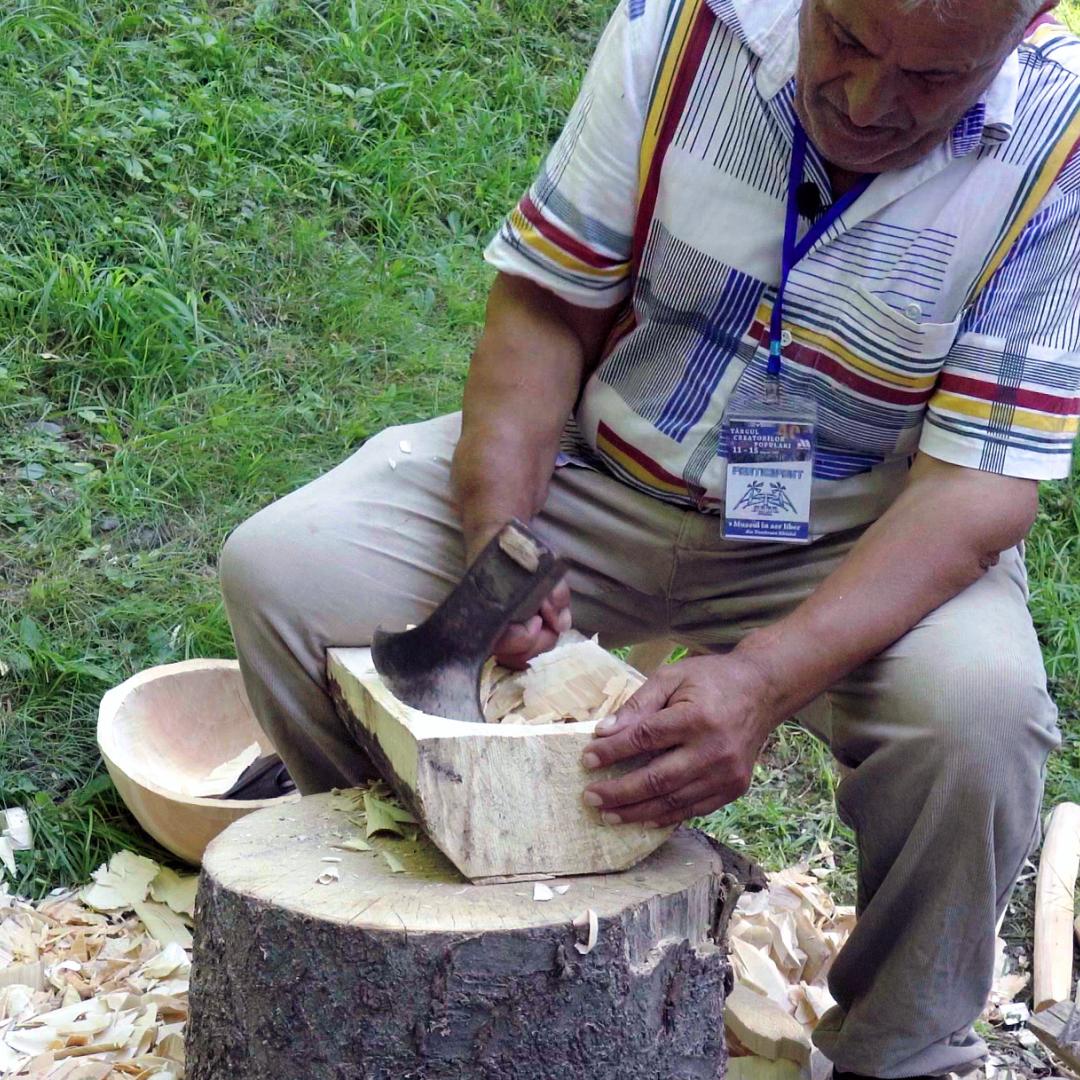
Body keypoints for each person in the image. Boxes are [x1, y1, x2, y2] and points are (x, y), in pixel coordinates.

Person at [219, 0, 1080, 1074]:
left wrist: (761, 680)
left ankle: (896, 1054)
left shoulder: (1063, 132)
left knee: (979, 721)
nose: (867, 103)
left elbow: (978, 491)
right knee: (284, 570)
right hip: (603, 468)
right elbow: (545, 306)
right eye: (849, 42)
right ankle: (423, 900)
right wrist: (502, 538)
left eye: (931, 80)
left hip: (855, 530)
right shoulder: (682, 25)